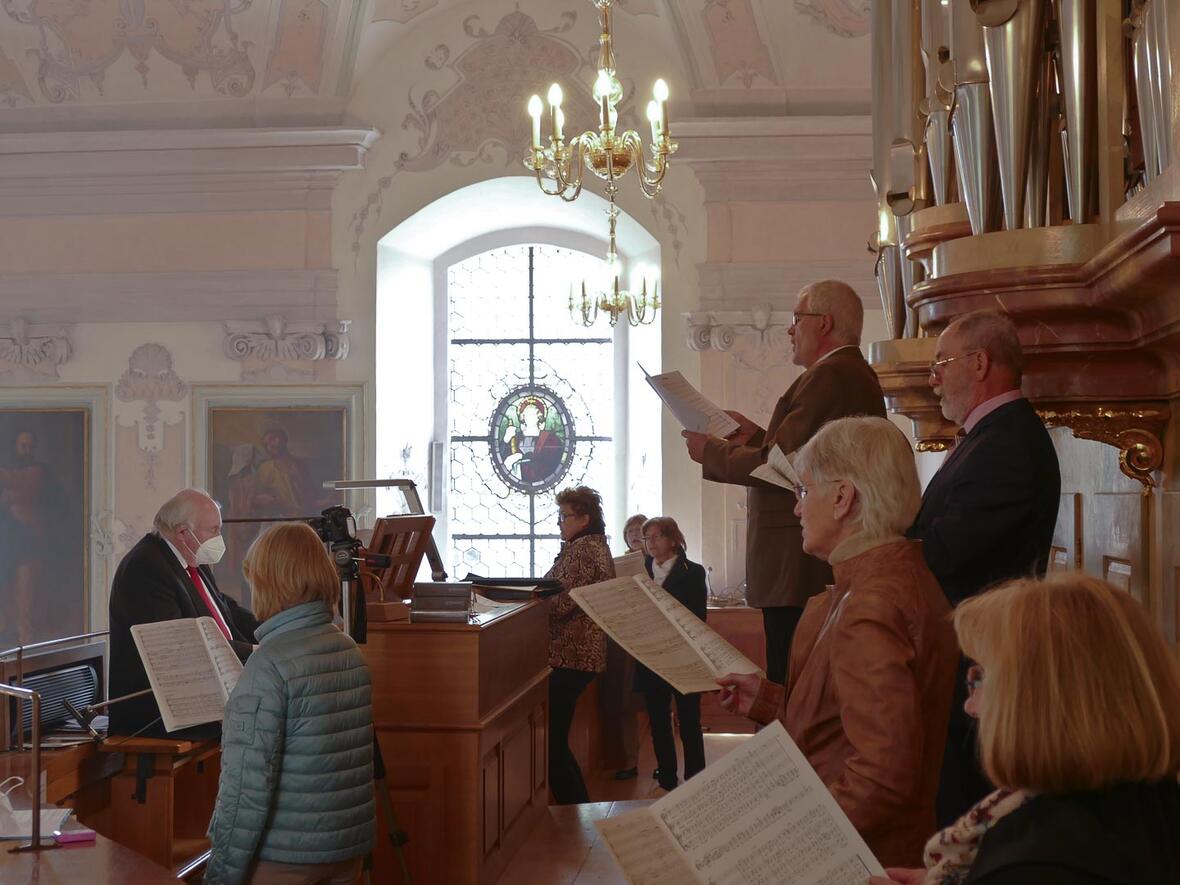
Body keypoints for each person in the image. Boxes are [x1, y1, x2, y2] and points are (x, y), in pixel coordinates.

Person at [717, 417, 957, 867]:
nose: (797, 509)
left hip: (864, 860)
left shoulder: (871, 603)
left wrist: (781, 850)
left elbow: (882, 776)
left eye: (804, 491)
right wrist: (769, 701)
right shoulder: (886, 578)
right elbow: (849, 726)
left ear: (843, 498)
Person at [869, 573, 1180, 885]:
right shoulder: (1152, 804)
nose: (970, 706)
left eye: (981, 678)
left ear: (1035, 703)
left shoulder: (1036, 861)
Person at [684, 279, 885, 685]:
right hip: (797, 564)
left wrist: (713, 453)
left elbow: (784, 468)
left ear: (824, 323)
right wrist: (755, 438)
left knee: (794, 685)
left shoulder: (831, 375)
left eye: (797, 319)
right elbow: (803, 458)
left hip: (797, 566)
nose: (790, 330)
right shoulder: (840, 374)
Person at [907, 309, 1061, 824]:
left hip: (981, 657)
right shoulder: (988, 436)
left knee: (968, 810)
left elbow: (946, 553)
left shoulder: (1007, 443)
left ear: (978, 363)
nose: (933, 379)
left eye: (941, 363)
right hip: (967, 651)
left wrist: (881, 547)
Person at [205, 522, 375, 885]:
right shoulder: (347, 649)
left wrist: (220, 877)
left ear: (270, 583)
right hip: (347, 851)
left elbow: (244, 792)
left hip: (286, 858)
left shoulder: (269, 664)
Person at [108, 488, 260, 737]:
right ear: (182, 532)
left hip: (211, 695)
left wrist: (272, 631)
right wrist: (254, 651)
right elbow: (182, 644)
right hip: (161, 716)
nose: (219, 538)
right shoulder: (145, 566)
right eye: (213, 530)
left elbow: (224, 609)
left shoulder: (191, 558)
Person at [545, 485, 614, 804]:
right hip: (577, 655)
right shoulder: (591, 545)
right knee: (555, 742)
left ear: (584, 518)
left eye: (564, 516)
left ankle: (576, 810)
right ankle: (577, 807)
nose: (559, 522)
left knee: (552, 743)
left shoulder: (583, 550)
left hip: (571, 654)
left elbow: (559, 604)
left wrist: (526, 600)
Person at [636, 516, 707, 792]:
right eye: (646, 538)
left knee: (689, 720)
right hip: (652, 654)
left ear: (673, 539)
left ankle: (696, 779)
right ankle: (666, 776)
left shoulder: (693, 571)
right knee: (658, 719)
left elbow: (697, 616)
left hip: (684, 654)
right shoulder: (641, 569)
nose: (650, 543)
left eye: (656, 537)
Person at [600, 512, 648, 780]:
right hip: (622, 640)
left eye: (640, 531)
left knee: (656, 703)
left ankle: (665, 764)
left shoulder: (657, 564)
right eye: (630, 531)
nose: (634, 535)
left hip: (649, 639)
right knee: (624, 702)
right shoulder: (616, 564)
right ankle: (628, 760)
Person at [252, 426, 315, 517]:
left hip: (303, 518)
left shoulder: (301, 465)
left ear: (283, 438)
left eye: (272, 439)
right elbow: (255, 497)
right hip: (279, 520)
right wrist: (260, 499)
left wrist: (327, 502)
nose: (270, 445)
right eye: (266, 444)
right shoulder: (265, 469)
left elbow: (310, 497)